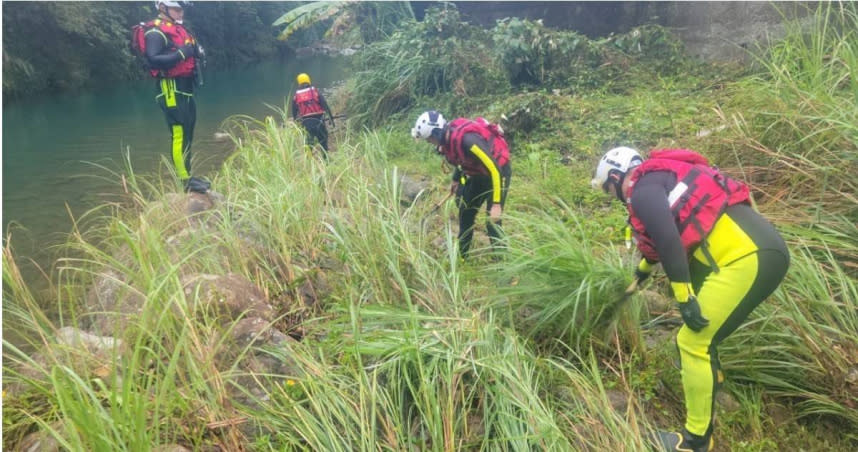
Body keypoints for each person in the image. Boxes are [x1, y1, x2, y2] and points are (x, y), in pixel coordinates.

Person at [591, 146, 790, 451]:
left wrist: (684, 298)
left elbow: (669, 240)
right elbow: (660, 244)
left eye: (608, 189)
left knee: (691, 342)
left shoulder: (641, 189)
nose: (612, 195)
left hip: (746, 259)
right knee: (704, 333)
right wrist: (639, 276)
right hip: (765, 249)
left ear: (617, 177)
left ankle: (696, 439)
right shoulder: (663, 178)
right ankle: (714, 378)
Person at [412, 110, 511, 258]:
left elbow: (494, 169)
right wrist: (456, 180)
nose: (429, 142)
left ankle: (504, 266)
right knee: (465, 212)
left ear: (436, 133)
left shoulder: (468, 141)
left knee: (492, 221)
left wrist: (496, 204)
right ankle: (463, 257)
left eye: (429, 139)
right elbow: (460, 160)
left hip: (498, 172)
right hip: (478, 175)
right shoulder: (447, 142)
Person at [143, 0, 209, 193]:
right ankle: (184, 180)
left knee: (188, 132)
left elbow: (194, 52)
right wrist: (182, 53)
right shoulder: (155, 32)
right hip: (171, 89)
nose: (181, 13)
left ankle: (188, 174)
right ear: (163, 8)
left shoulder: (179, 30)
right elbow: (153, 59)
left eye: (181, 9)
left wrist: (196, 52)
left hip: (186, 88)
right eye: (176, 9)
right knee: (179, 134)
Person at [291, 73, 335, 158]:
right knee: (323, 141)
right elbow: (325, 105)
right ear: (308, 80)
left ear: (299, 83)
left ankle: (308, 161)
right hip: (319, 120)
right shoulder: (315, 91)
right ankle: (326, 160)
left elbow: (294, 112)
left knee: (308, 143)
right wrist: (331, 119)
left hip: (306, 122)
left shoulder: (296, 96)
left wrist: (296, 122)